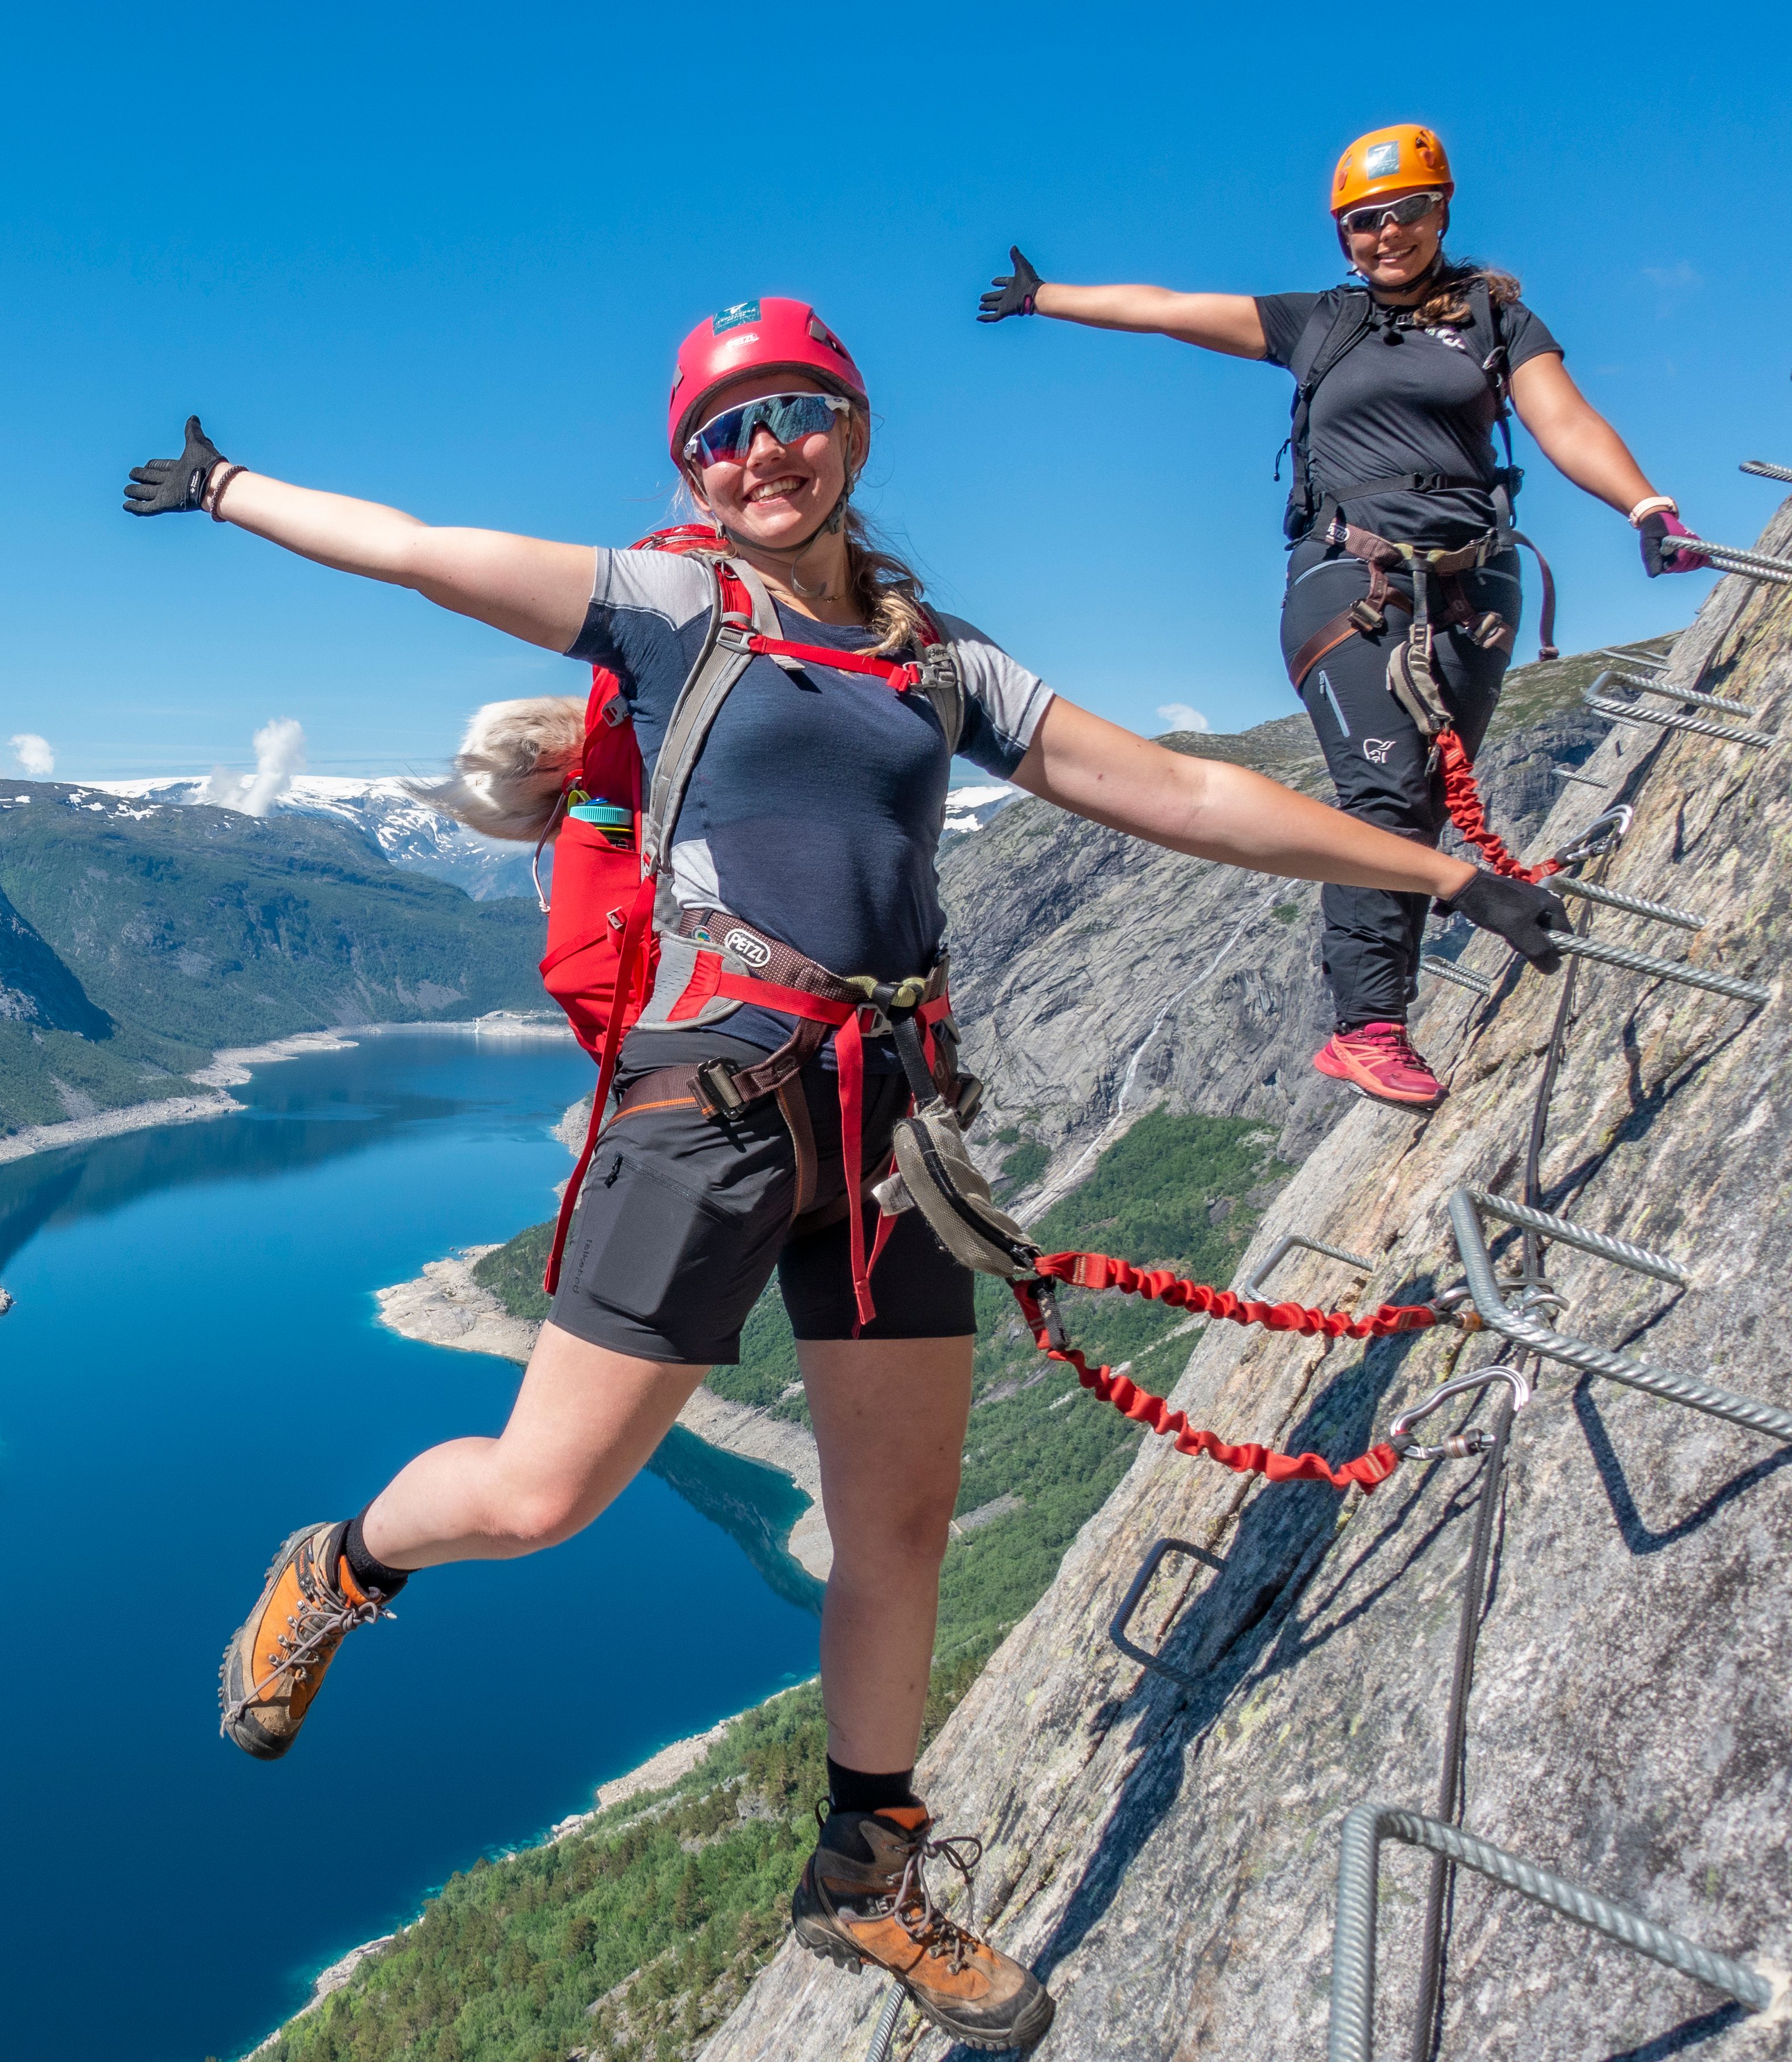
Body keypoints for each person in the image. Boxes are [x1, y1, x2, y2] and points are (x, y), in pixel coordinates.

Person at [121, 294, 1571, 2052]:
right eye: (722, 433)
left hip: (890, 1122)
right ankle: (338, 1565)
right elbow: (424, 554)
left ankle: (868, 1879)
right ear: (691, 471)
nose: (761, 452)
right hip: (710, 1104)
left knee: (895, 1530)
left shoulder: (938, 658)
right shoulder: (670, 608)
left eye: (793, 413)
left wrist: (1436, 879)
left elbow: (1180, 794)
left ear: (854, 431)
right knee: (536, 1496)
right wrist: (231, 490)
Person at [974, 122, 1707, 1111]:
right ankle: (1368, 1029)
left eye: (1405, 212)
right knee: (1382, 790)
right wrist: (1046, 297)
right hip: (1347, 580)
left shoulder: (1497, 324)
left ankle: (1383, 1019)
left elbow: (1563, 420)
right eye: (1363, 222)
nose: (1385, 235)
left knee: (1423, 802)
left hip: (1473, 587)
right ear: (1342, 234)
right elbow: (1170, 312)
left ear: (1442, 209)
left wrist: (1645, 505)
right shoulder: (1321, 321)